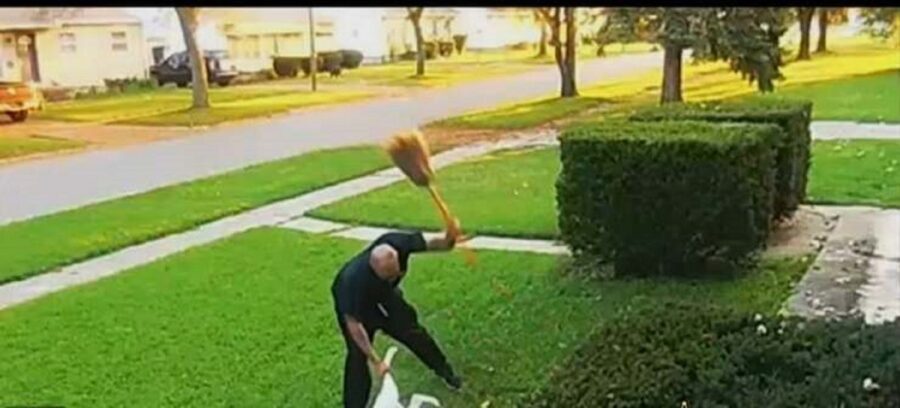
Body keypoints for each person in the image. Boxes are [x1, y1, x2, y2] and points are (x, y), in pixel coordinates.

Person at [331, 222, 463, 408]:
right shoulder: (350, 283)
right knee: (357, 357)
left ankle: (446, 372)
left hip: (386, 297)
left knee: (412, 332)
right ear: (374, 270)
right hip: (361, 310)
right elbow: (355, 327)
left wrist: (450, 236)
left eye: (396, 274)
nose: (396, 278)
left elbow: (441, 244)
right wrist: (376, 362)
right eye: (389, 277)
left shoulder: (399, 242)